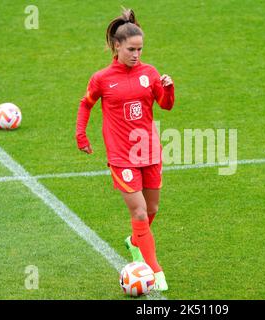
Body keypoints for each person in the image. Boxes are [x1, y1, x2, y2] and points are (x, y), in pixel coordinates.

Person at [75, 8, 174, 291]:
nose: (136, 54)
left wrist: (169, 88)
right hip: (121, 156)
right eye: (131, 49)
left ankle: (135, 241)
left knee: (152, 207)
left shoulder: (150, 73)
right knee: (140, 212)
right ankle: (154, 271)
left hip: (149, 151)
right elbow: (86, 104)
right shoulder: (102, 78)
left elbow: (165, 104)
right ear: (116, 46)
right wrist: (81, 134)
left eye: (140, 49)